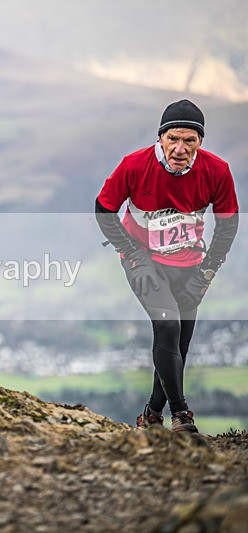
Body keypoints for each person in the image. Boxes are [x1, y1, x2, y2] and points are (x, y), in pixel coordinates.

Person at [95, 99, 239, 433]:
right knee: (168, 326)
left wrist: (207, 271)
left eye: (190, 140)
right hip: (144, 262)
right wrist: (133, 255)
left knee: (180, 343)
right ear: (160, 138)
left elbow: (228, 224)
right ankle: (182, 416)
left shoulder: (217, 171)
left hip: (190, 263)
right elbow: (103, 209)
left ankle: (151, 416)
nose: (180, 148)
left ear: (200, 142)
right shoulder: (134, 165)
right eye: (173, 138)